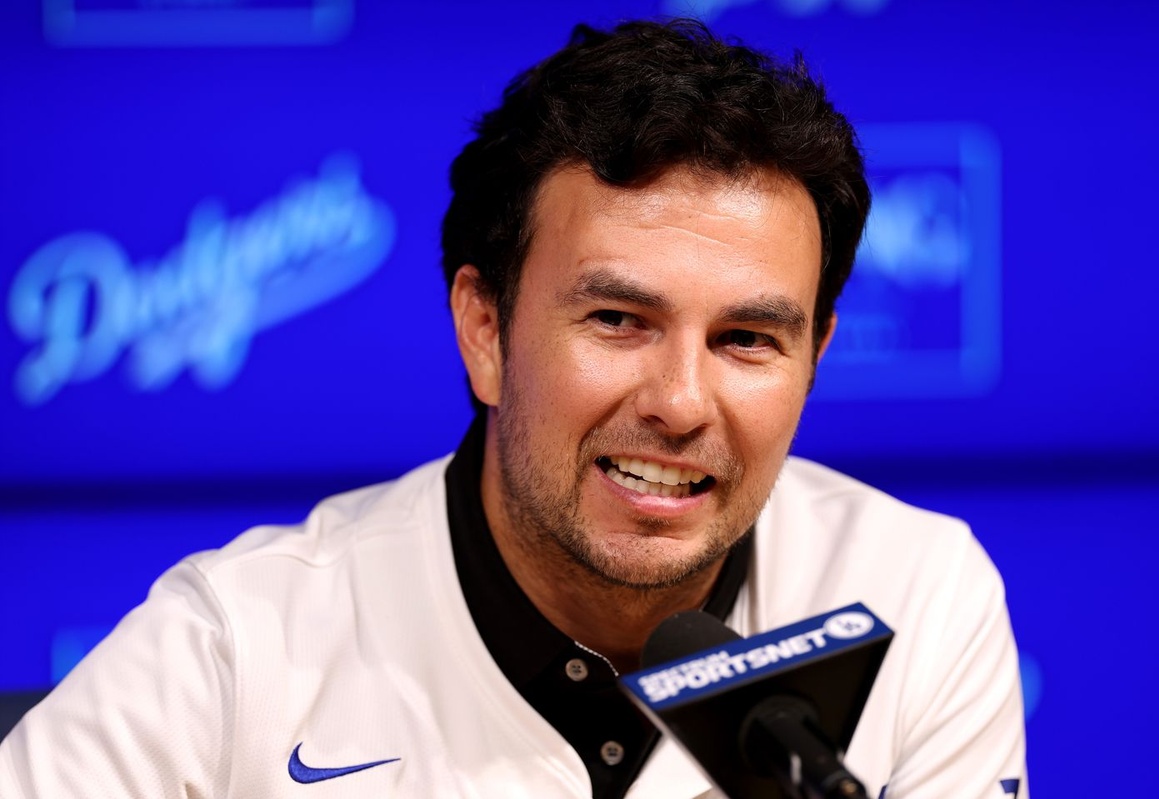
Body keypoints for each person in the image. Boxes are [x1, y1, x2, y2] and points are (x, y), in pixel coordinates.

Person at [0, 19, 1027, 799]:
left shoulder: (918, 595)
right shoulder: (233, 648)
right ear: (485, 329)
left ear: (815, 359)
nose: (679, 402)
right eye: (619, 319)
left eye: (747, 340)